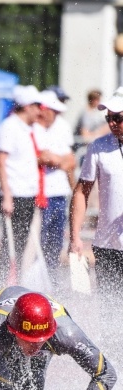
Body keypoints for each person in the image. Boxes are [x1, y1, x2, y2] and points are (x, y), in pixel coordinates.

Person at [70, 87, 123, 318]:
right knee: (109, 312)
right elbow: (81, 192)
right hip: (108, 244)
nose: (112, 123)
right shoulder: (99, 146)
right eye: (109, 118)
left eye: (118, 118)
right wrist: (75, 236)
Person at [0, 85, 44, 285]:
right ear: (26, 106)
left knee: (22, 242)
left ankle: (18, 284)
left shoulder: (28, 129)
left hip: (27, 194)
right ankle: (2, 285)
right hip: (13, 194)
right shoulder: (9, 126)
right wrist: (6, 195)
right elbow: (1, 161)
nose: (39, 110)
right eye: (36, 106)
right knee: (10, 244)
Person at [34, 90, 75, 285]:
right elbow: (42, 157)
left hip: (59, 193)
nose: (57, 116)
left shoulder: (62, 126)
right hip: (41, 194)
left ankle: (51, 280)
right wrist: (58, 160)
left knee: (55, 240)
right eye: (54, 111)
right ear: (45, 110)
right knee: (39, 240)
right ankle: (37, 281)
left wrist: (55, 160)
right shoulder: (35, 127)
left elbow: (70, 161)